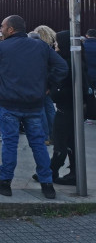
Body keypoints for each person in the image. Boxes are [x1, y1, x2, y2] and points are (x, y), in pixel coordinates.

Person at [0, 15, 68, 200]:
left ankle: (5, 182)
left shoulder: (1, 47)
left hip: (9, 102)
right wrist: (48, 84)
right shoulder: (40, 46)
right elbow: (61, 67)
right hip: (34, 103)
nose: (0, 29)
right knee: (38, 144)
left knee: (9, 143)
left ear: (11, 29)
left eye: (2, 27)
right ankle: (47, 184)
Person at [43, 30, 89, 186]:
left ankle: (51, 171)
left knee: (61, 141)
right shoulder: (77, 60)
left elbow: (66, 87)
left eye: (57, 42)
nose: (55, 45)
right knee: (70, 141)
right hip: (72, 108)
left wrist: (54, 91)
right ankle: (72, 173)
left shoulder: (67, 63)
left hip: (67, 108)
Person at [32, 25, 58, 145]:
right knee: (50, 109)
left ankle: (45, 136)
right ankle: (54, 136)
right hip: (48, 84)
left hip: (40, 84)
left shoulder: (38, 49)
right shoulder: (52, 48)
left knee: (41, 110)